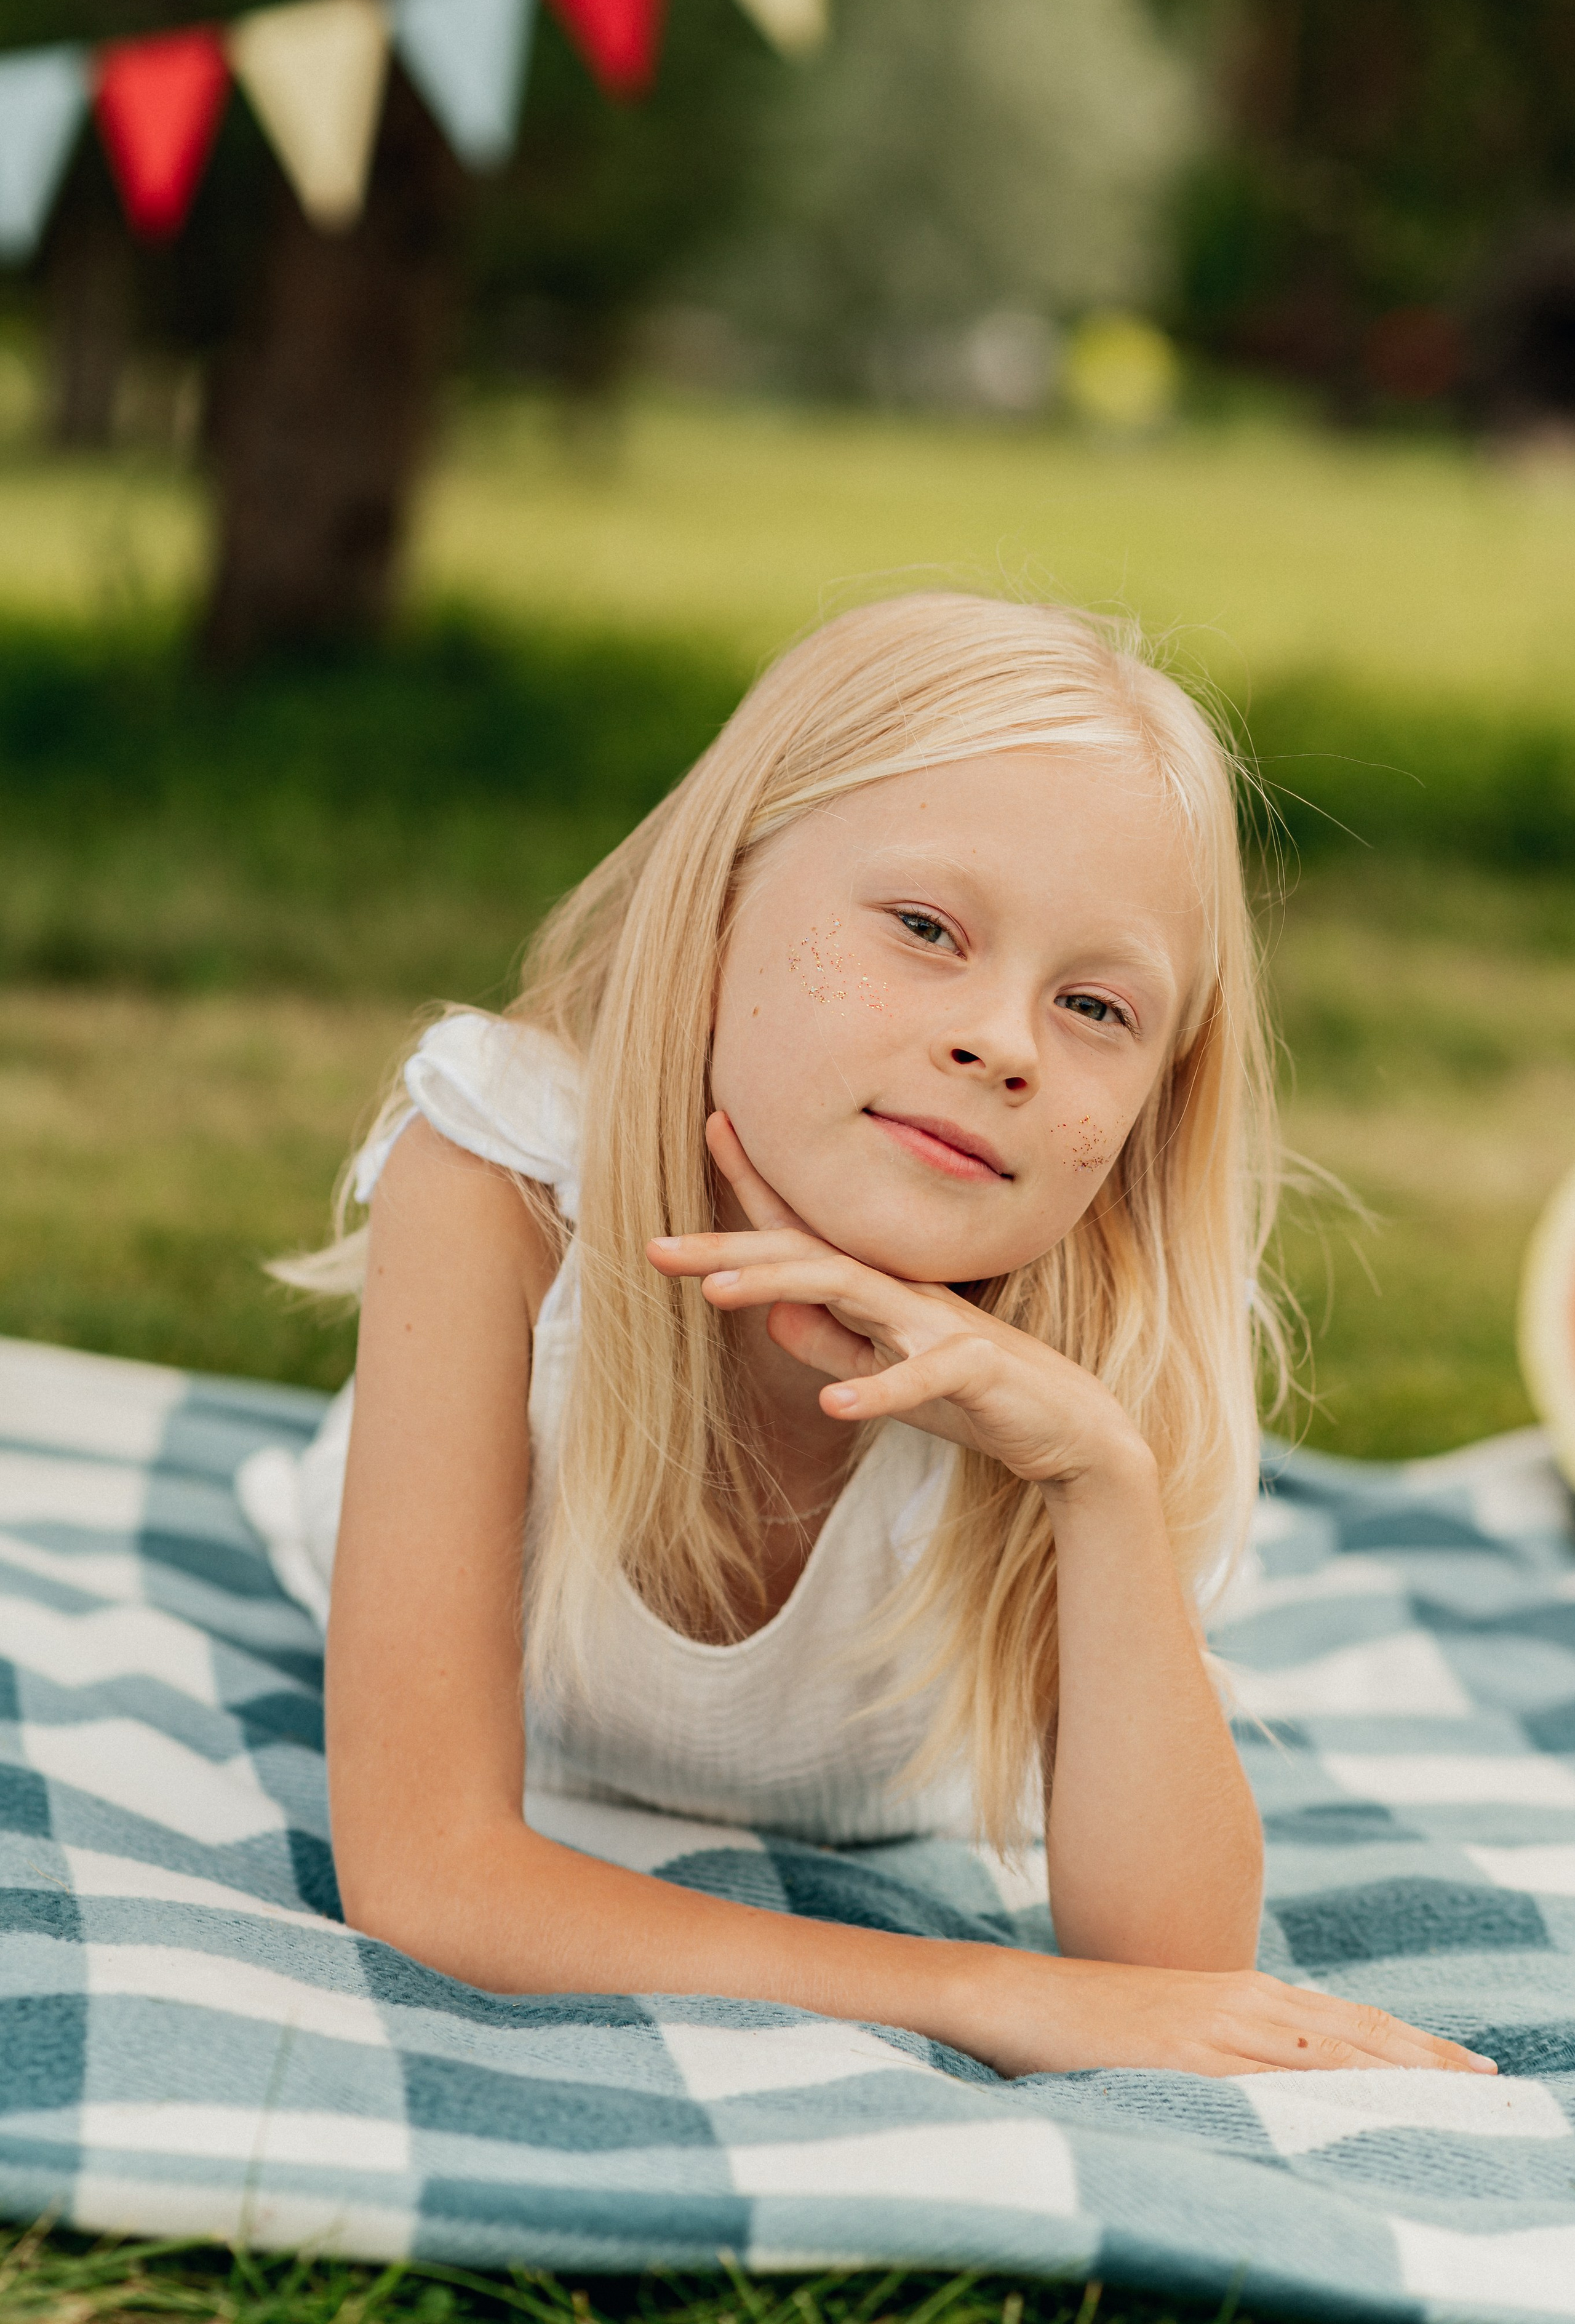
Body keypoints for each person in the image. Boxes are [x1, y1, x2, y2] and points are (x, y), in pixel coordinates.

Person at [264, 594, 1494, 2083]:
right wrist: (981, 1990)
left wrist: (1098, 1479)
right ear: (716, 906)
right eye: (924, 928)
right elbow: (430, 1875)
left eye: (1095, 1005)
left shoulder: (1116, 1324)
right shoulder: (505, 1184)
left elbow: (1172, 1976)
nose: (1005, 1041)